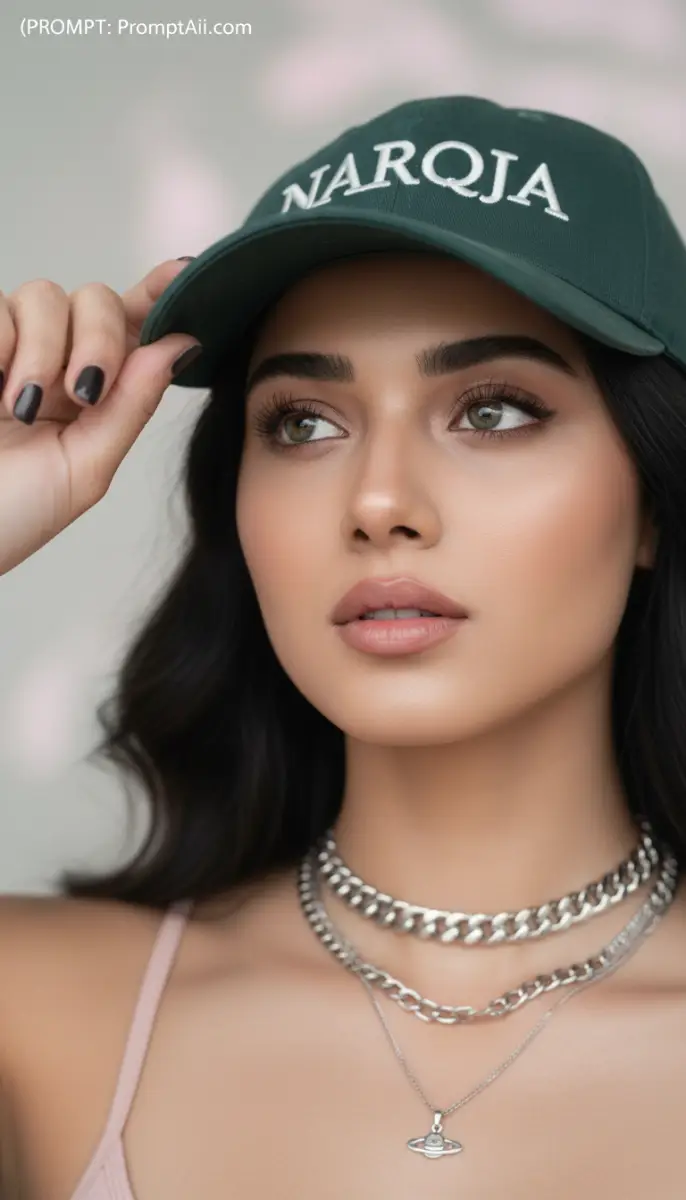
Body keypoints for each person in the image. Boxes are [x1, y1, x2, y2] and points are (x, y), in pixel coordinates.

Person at [1, 93, 686, 1199]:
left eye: (494, 409)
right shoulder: (30, 1011)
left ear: (652, 500)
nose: (375, 502)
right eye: (302, 424)